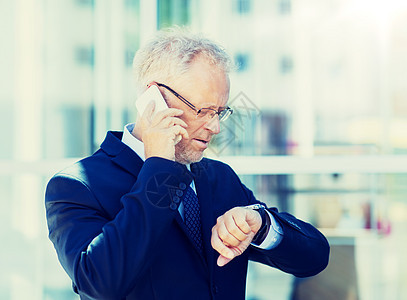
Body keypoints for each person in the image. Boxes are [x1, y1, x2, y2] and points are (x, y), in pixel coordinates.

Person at [45, 27, 329, 300]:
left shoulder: (220, 178)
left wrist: (261, 225)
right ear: (153, 98)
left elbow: (314, 257)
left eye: (220, 111)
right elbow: (101, 285)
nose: (215, 127)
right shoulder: (77, 187)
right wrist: (158, 164)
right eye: (203, 111)